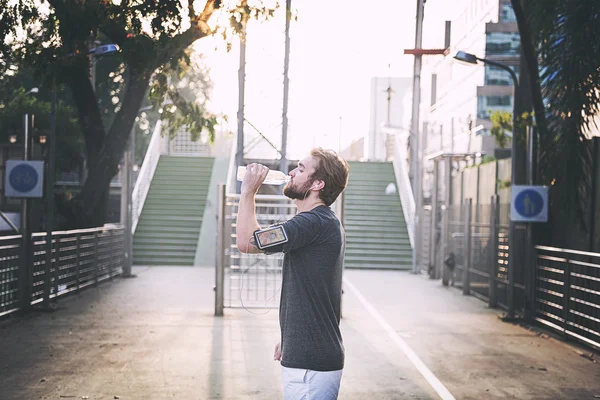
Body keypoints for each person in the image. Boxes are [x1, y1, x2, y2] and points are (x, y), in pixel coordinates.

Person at [236, 148, 350, 400]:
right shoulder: (320, 222)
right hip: (308, 356)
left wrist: (248, 191)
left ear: (317, 183)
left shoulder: (312, 223)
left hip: (311, 364)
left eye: (300, 168)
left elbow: (246, 242)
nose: (291, 172)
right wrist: (291, 337)